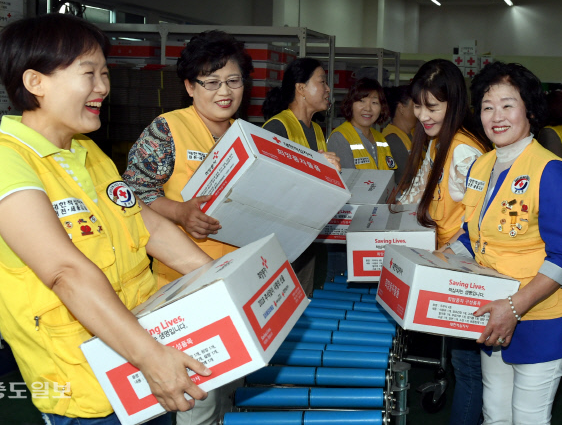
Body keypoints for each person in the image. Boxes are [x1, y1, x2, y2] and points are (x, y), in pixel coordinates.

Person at [0, 14, 213, 425]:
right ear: (36, 82)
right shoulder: (2, 161)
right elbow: (65, 271)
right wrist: (151, 357)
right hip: (88, 388)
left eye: (104, 73)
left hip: (148, 359)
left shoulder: (87, 152)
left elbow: (145, 226)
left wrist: (220, 278)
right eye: (88, 73)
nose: (103, 87)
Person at [122, 30, 253, 424]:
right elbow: (129, 194)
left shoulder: (245, 135)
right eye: (211, 83)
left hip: (234, 275)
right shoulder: (168, 131)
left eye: (233, 81)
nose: (224, 92)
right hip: (183, 285)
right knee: (199, 393)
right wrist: (179, 213)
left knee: (232, 383)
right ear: (189, 87)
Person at [449, 62, 562, 424]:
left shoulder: (551, 172)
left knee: (528, 416)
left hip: (543, 314)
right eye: (487, 106)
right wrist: (439, 259)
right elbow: (474, 232)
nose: (496, 116)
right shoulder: (482, 166)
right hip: (494, 309)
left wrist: (514, 307)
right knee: (494, 413)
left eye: (508, 105)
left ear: (529, 109)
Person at [390, 59, 491, 425]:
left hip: (465, 269)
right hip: (448, 264)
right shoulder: (438, 144)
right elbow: (418, 194)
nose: (423, 115)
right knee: (465, 363)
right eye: (418, 105)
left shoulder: (464, 151)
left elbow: (481, 222)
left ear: (455, 104)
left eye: (433, 106)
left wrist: (446, 253)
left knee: (469, 367)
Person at [260, 57, 340, 294]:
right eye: (322, 82)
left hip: (307, 235)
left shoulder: (316, 129)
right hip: (280, 240)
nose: (328, 89)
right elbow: (265, 186)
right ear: (301, 88)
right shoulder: (277, 128)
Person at [326, 77, 397, 171]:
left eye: (374, 103)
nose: (368, 108)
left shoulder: (380, 138)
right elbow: (346, 181)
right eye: (362, 101)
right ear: (351, 104)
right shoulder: (340, 137)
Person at [383, 85, 417, 184]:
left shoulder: (412, 133)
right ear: (401, 108)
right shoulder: (392, 138)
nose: (420, 111)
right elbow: (404, 178)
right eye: (415, 106)